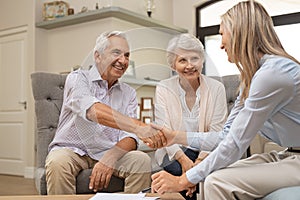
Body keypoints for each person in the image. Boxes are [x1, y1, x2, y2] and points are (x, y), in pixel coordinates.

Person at [150, 1, 300, 199]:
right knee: (211, 173)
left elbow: (235, 144)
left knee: (215, 181)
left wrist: (183, 180)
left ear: (239, 32)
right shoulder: (252, 78)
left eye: (222, 34)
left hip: (296, 159)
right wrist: (175, 136)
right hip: (288, 154)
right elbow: (225, 136)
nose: (221, 44)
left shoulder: (272, 74)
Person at [45, 31, 165, 195]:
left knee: (141, 160)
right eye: (116, 53)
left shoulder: (128, 93)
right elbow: (93, 111)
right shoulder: (78, 78)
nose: (123, 61)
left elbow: (129, 137)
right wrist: (139, 127)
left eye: (127, 55)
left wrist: (110, 158)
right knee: (57, 162)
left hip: (108, 151)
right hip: (72, 150)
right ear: (98, 56)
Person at [154, 33, 227, 199]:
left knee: (207, 176)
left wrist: (198, 166)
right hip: (175, 153)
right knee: (178, 171)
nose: (190, 65)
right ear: (173, 64)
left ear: (202, 60)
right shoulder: (163, 88)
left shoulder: (216, 88)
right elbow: (164, 132)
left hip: (207, 152)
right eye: (182, 60)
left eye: (194, 58)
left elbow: (217, 132)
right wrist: (186, 164)